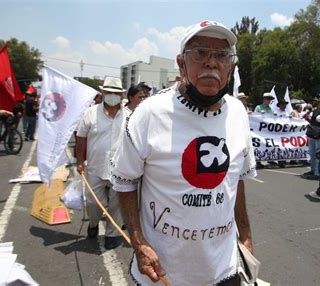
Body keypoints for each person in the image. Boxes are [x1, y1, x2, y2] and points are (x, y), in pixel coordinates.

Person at [111, 20, 257, 285]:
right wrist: (138, 240)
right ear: (181, 64)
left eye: (222, 56)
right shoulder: (149, 113)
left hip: (225, 267)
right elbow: (124, 180)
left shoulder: (238, 113)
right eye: (200, 53)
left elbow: (236, 179)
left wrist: (245, 235)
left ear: (231, 67)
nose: (212, 63)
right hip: (164, 271)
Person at [76, 77, 126, 250]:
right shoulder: (90, 113)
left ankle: (112, 234)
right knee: (93, 202)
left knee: (117, 203)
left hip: (120, 170)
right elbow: (81, 138)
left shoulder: (129, 116)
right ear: (103, 93)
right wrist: (80, 160)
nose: (112, 96)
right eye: (109, 92)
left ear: (121, 95)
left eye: (116, 93)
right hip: (95, 167)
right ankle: (93, 223)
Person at [302, 93, 320, 180]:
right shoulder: (315, 110)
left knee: (317, 153)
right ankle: (313, 169)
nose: (313, 102)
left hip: (319, 134)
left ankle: (317, 172)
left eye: (315, 100)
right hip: (313, 133)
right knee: (312, 153)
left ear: (319, 101)